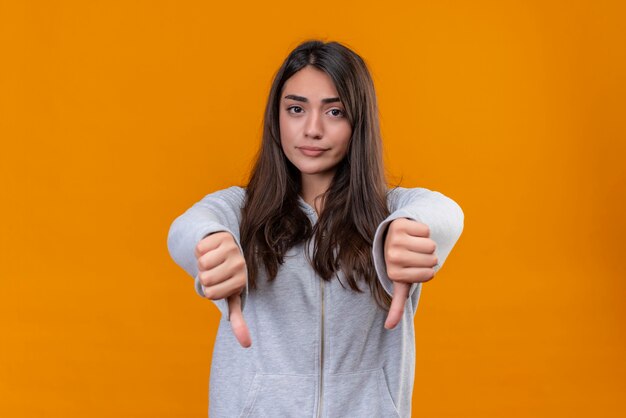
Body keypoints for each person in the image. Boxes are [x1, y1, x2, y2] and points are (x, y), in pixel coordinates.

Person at [167, 39, 464, 418]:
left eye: (335, 111)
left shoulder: (392, 212)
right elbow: (185, 228)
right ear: (277, 117)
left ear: (360, 120)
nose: (312, 129)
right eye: (295, 109)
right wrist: (211, 243)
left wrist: (408, 228)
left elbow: (445, 211)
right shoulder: (241, 210)